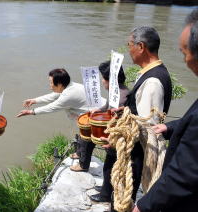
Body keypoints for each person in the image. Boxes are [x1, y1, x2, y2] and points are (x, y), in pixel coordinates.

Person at [98, 26, 172, 206]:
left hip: (135, 154)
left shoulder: (153, 81)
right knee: (120, 196)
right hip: (133, 151)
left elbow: (147, 126)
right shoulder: (149, 74)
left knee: (123, 200)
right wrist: (124, 111)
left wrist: (118, 141)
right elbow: (140, 113)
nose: (128, 49)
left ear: (141, 46)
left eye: (129, 44)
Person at [132, 9, 198, 212]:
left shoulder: (153, 81)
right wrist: (169, 128)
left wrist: (144, 206)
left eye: (184, 52)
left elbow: (186, 172)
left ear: (141, 47)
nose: (184, 60)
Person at [69, 61, 129, 174]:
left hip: (114, 133)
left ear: (109, 80)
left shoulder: (121, 97)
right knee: (87, 130)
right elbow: (107, 106)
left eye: (103, 78)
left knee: (87, 134)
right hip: (110, 125)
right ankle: (80, 155)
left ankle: (83, 164)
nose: (102, 81)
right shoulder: (118, 90)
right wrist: (99, 110)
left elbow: (118, 119)